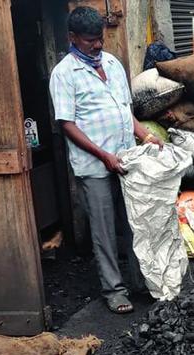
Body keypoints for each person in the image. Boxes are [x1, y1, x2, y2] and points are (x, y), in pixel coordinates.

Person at [49, 7, 163, 314]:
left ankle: (142, 283)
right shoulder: (64, 74)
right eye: (90, 40)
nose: (97, 45)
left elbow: (125, 110)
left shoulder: (112, 64)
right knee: (103, 229)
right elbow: (67, 125)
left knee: (135, 223)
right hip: (95, 166)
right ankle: (114, 290)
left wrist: (145, 135)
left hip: (127, 160)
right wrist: (104, 156)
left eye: (99, 38)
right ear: (72, 38)